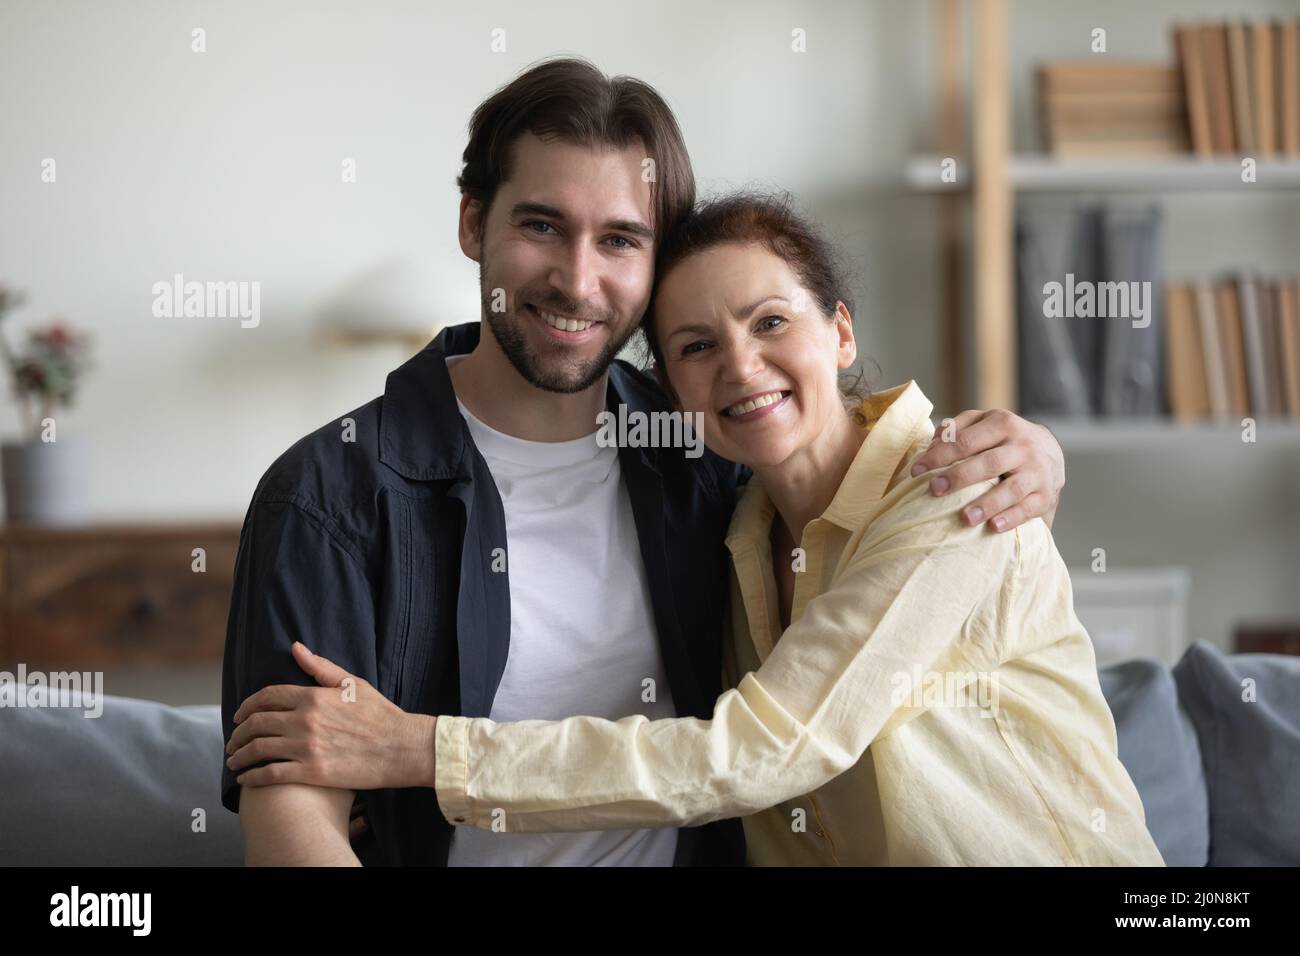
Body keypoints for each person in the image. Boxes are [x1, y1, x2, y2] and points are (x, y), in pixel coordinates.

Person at [223, 59, 1068, 867]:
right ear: (474, 222)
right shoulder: (328, 495)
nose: (578, 280)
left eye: (621, 240)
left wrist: (1037, 454)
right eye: (541, 224)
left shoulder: (709, 459)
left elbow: (758, 745)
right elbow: (293, 822)